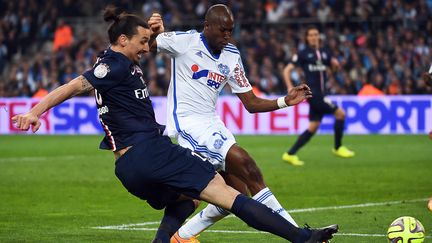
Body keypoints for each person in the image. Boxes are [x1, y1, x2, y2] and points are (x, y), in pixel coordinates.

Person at [12, 6, 338, 243]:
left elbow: (145, 46)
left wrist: (154, 29)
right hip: (152, 153)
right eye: (141, 41)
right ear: (123, 40)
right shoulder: (111, 66)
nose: (147, 47)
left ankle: (169, 241)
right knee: (233, 191)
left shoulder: (120, 62)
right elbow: (73, 86)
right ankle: (302, 237)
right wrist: (35, 111)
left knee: (188, 200)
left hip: (129, 168)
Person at [148, 5, 334, 243]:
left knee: (234, 193)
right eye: (223, 30)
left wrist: (284, 101)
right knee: (248, 166)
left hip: (212, 122)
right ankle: (300, 236)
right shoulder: (184, 41)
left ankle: (180, 237)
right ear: (207, 26)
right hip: (188, 123)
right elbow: (147, 45)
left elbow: (251, 102)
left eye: (231, 30)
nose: (227, 35)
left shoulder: (231, 55)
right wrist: (153, 31)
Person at [281, 26, 355, 166]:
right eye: (311, 35)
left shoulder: (325, 53)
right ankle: (338, 147)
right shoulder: (303, 54)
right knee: (340, 114)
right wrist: (290, 86)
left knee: (313, 126)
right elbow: (287, 70)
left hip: (321, 93)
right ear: (307, 38)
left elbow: (334, 69)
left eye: (316, 34)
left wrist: (336, 66)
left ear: (319, 37)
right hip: (313, 94)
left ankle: (289, 154)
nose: (314, 37)